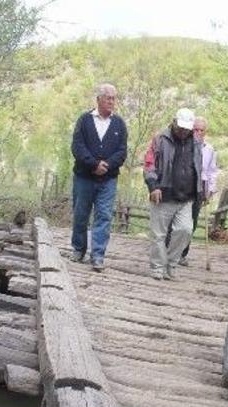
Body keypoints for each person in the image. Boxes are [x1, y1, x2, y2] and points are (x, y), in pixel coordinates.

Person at [69, 83, 128, 272]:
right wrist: (94, 164)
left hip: (108, 180)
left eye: (113, 98)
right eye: (108, 97)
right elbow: (77, 147)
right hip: (84, 177)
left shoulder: (119, 124)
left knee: (103, 216)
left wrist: (107, 165)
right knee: (80, 214)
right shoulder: (84, 120)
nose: (111, 101)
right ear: (99, 99)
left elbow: (122, 151)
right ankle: (79, 249)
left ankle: (98, 255)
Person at [144, 108, 204, 280]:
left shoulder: (197, 142)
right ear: (173, 122)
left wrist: (201, 189)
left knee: (185, 230)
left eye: (187, 129)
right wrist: (153, 185)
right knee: (158, 234)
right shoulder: (160, 139)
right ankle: (157, 267)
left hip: (187, 197)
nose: (183, 132)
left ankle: (171, 264)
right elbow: (149, 164)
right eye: (180, 127)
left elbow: (199, 168)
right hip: (163, 194)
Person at [170, 116, 218, 266]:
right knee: (176, 219)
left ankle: (182, 254)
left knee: (192, 222)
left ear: (205, 132)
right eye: (195, 129)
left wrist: (210, 189)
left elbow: (212, 171)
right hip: (184, 184)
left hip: (200, 186)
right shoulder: (185, 145)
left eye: (201, 130)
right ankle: (170, 250)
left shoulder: (209, 149)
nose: (198, 132)